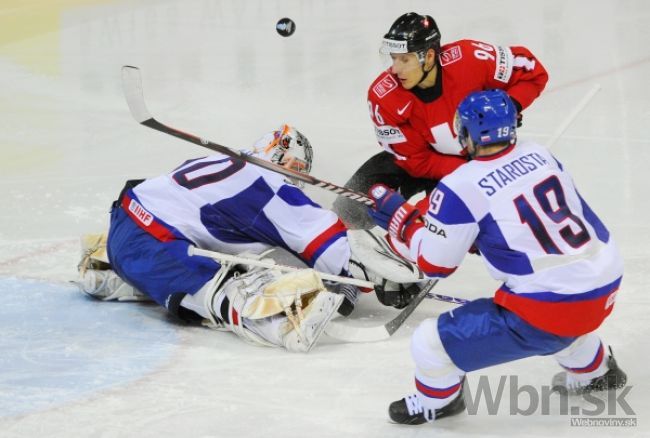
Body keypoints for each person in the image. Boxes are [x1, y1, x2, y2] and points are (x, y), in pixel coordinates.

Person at [366, 89, 627, 424]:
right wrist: (482, 238)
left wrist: (402, 222)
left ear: (466, 133)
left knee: (429, 344)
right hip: (605, 281)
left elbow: (434, 264)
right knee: (563, 320)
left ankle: (440, 400)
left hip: (552, 306)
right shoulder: (540, 154)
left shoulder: (460, 184)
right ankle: (598, 370)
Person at [77, 124, 420, 353]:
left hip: (124, 221)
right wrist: (381, 276)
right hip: (156, 244)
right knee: (237, 286)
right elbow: (330, 243)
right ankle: (282, 318)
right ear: (287, 162)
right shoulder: (269, 185)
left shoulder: (220, 160)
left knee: (213, 258)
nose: (299, 182)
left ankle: (107, 267)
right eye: (299, 172)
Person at [333, 12, 549, 229]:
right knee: (348, 210)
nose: (395, 69)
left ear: (428, 57)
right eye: (393, 59)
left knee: (436, 233)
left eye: (405, 59)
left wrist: (508, 107)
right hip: (425, 163)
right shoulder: (383, 97)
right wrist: (465, 171)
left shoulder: (470, 58)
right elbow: (416, 160)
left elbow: (532, 72)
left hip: (482, 159)